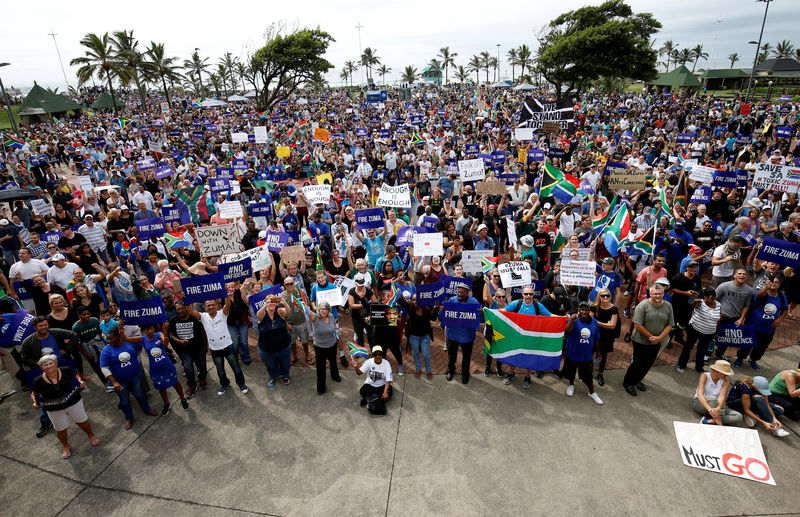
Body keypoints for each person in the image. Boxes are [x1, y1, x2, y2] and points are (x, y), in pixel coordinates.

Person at [30, 354, 100, 459]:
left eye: (51, 363)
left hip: (73, 402)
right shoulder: (38, 381)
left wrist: (80, 382)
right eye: (45, 365)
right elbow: (34, 394)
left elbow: (76, 376)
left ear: (56, 363)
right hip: (54, 408)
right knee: (60, 428)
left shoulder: (66, 370)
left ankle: (91, 435)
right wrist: (35, 402)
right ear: (41, 367)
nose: (49, 366)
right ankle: (66, 446)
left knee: (82, 421)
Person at [185, 298, 249, 396]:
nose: (211, 307)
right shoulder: (203, 316)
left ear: (217, 306)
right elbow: (190, 311)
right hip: (215, 350)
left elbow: (227, 304)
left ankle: (242, 384)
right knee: (220, 370)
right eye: (208, 306)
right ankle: (224, 384)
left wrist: (225, 294)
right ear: (205, 307)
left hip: (228, 347)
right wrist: (185, 298)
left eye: (212, 305)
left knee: (236, 368)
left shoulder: (223, 313)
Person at [99, 325, 159, 429]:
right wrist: (114, 382)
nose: (107, 341)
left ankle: (147, 409)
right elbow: (104, 368)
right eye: (107, 338)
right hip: (120, 381)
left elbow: (139, 349)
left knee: (140, 394)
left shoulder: (130, 343)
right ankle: (129, 417)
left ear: (118, 336)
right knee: (125, 400)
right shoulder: (106, 351)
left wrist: (135, 363)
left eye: (110, 338)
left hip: (135, 377)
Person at [122, 324, 188, 415]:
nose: (150, 331)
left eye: (151, 328)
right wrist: (121, 329)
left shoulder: (159, 335)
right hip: (155, 368)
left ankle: (183, 399)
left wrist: (165, 331)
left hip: (167, 365)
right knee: (161, 387)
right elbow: (125, 339)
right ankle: (166, 404)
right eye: (147, 329)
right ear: (144, 331)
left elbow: (165, 344)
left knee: (175, 383)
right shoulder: (142, 339)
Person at [622, 284, 674, 397]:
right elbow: (637, 324)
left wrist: (659, 338)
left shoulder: (668, 306)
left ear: (663, 293)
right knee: (637, 362)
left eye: (660, 293)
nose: (657, 296)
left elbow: (670, 324)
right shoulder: (643, 306)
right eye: (655, 293)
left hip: (657, 341)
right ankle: (628, 383)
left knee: (648, 363)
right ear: (650, 294)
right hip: (641, 341)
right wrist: (652, 337)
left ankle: (637, 380)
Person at [502, 286, 552, 389]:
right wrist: (490, 311)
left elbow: (550, 316)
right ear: (522, 294)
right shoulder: (517, 304)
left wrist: (564, 318)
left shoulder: (538, 306)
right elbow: (504, 310)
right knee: (514, 355)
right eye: (526, 294)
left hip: (531, 338)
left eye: (530, 294)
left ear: (533, 295)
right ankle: (511, 374)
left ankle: (528, 377)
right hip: (517, 336)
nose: (528, 296)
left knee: (529, 358)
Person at [734, 273, 787, 370]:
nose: (774, 284)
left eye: (776, 283)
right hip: (753, 326)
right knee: (746, 345)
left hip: (768, 330)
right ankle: (740, 358)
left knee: (761, 348)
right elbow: (758, 296)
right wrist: (766, 288)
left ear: (780, 284)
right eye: (772, 282)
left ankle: (753, 360)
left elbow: (785, 309)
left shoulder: (782, 297)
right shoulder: (762, 293)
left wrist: (779, 319)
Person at [563, 302, 603, 404]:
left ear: (589, 311)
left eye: (586, 309)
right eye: (581, 309)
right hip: (572, 353)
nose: (584, 312)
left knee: (588, 375)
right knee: (571, 372)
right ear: (578, 310)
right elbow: (566, 331)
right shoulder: (573, 320)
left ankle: (592, 392)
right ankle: (571, 384)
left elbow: (597, 337)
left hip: (586, 355)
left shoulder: (594, 322)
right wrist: (572, 320)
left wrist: (598, 351)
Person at [168, 301, 208, 398]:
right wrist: (179, 341)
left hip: (198, 348)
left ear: (186, 308)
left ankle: (202, 379)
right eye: (178, 309)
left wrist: (205, 345)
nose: (180, 311)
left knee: (202, 367)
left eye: (182, 308)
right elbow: (171, 334)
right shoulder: (173, 320)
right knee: (188, 369)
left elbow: (203, 332)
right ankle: (192, 385)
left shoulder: (194, 319)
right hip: (184, 350)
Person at [441, 283, 480, 384]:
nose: (459, 294)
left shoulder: (474, 302)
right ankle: (450, 370)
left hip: (467, 336)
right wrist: (441, 311)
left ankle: (465, 373)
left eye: (462, 293)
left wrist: (481, 313)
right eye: (458, 292)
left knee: (466, 357)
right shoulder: (451, 301)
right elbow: (443, 317)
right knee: (451, 356)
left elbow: (480, 318)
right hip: (452, 334)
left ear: (468, 293)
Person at [713, 269, 754, 361]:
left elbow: (747, 306)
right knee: (712, 337)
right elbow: (714, 299)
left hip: (735, 319)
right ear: (734, 275)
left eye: (744, 274)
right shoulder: (724, 286)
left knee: (727, 338)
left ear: (746, 277)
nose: (742, 276)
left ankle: (719, 354)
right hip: (721, 316)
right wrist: (716, 313)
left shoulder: (749, 291)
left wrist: (741, 318)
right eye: (739, 274)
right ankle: (706, 355)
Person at [678, 288, 721, 374]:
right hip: (695, 329)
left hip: (709, 333)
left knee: (702, 350)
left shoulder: (718, 304)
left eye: (712, 295)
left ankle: (699, 367)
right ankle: (682, 364)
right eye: (708, 295)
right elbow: (691, 304)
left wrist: (716, 332)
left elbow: (718, 319)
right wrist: (694, 298)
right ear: (704, 296)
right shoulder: (699, 302)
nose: (710, 296)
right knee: (688, 347)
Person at [256, 295, 293, 391]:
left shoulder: (279, 311)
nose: (271, 303)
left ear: (276, 302)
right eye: (269, 301)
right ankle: (273, 376)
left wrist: (284, 302)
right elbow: (258, 316)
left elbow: (288, 312)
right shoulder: (263, 313)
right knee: (270, 365)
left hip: (283, 346)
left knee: (285, 363)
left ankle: (285, 375)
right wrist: (265, 306)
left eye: (273, 301)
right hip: (266, 348)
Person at [693, 360, 742, 426]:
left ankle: (711, 421)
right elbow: (700, 395)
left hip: (715, 406)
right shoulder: (704, 376)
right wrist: (710, 410)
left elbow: (722, 396)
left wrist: (718, 408)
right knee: (713, 398)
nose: (726, 375)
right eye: (725, 373)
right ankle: (716, 418)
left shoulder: (726, 381)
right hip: (701, 404)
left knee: (738, 416)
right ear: (718, 371)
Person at [308, 301, 341, 395]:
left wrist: (337, 330)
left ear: (328, 310)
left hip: (332, 344)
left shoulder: (330, 316)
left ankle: (335, 376)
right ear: (318, 309)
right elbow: (308, 312)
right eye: (322, 308)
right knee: (321, 368)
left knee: (333, 362)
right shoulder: (315, 318)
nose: (324, 310)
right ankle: (321, 388)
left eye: (325, 309)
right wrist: (304, 305)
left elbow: (333, 326)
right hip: (320, 347)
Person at [280, 276, 313, 366]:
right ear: (284, 285)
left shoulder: (300, 292)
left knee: (305, 341)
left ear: (294, 283)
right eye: (287, 284)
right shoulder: (282, 296)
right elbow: (279, 312)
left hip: (301, 321)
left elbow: (308, 303)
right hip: (290, 323)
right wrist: (286, 324)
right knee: (292, 342)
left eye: (291, 283)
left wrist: (304, 303)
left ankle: (307, 356)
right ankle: (294, 356)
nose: (290, 285)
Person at [351, 345, 393, 415]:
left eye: (380, 354)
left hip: (382, 386)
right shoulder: (368, 362)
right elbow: (359, 373)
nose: (378, 356)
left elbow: (388, 380)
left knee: (381, 408)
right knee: (362, 391)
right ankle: (373, 399)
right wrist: (356, 367)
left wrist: (385, 392)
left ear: (382, 355)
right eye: (375, 354)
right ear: (373, 355)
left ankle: (369, 400)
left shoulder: (386, 364)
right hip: (370, 385)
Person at [407, 293, 439, 380]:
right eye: (413, 300)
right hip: (414, 337)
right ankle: (418, 369)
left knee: (426, 354)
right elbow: (401, 300)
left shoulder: (427, 309)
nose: (414, 301)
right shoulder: (410, 308)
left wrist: (436, 308)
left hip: (425, 336)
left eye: (416, 299)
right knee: (416, 353)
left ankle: (428, 370)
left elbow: (433, 318)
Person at [592, 287, 619, 387]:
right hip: (594, 335)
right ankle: (589, 370)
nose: (605, 297)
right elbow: (589, 321)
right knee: (590, 352)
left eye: (607, 295)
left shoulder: (613, 309)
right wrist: (605, 324)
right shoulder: (594, 307)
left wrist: (598, 323)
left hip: (606, 336)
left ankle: (600, 374)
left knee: (603, 356)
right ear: (599, 297)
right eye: (603, 296)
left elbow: (612, 325)